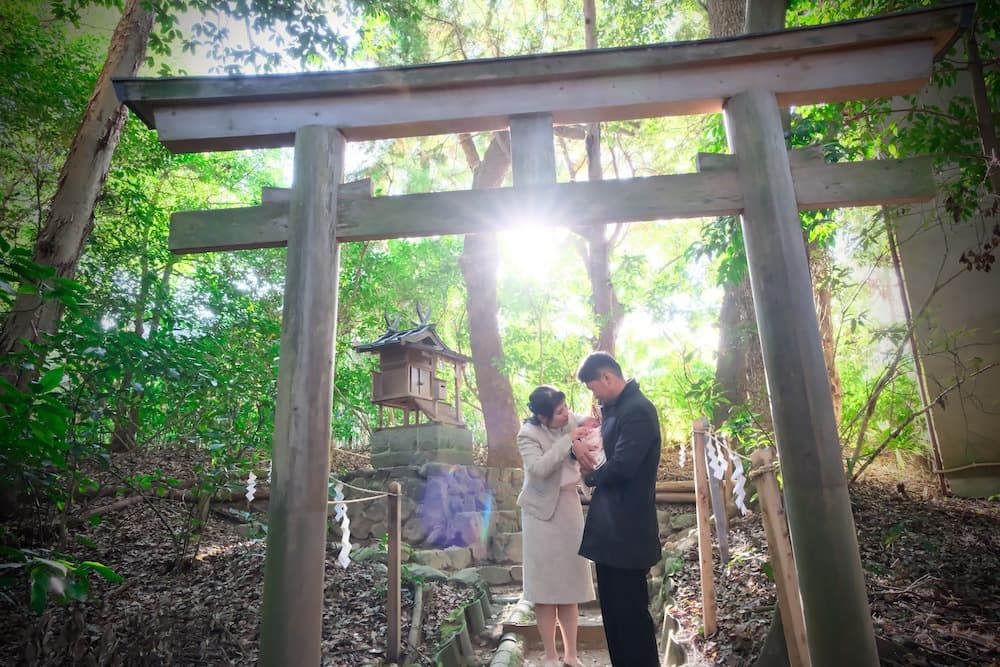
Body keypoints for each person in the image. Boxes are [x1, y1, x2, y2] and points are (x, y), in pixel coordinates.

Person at [570, 352, 661, 666]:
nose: (594, 395)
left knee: (631, 617)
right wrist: (577, 446)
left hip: (628, 530)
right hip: (610, 530)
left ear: (607, 377)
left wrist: (590, 476)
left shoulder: (637, 411)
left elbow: (624, 465)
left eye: (593, 387)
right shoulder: (615, 410)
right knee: (614, 618)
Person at [516, 385, 598, 667]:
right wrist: (568, 441)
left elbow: (581, 422)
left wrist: (588, 424)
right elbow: (538, 469)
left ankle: (571, 655)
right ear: (542, 416)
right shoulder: (528, 434)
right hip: (540, 514)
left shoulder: (567, 419)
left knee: (570, 584)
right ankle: (551, 656)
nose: (566, 414)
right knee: (545, 590)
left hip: (568, 506)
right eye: (559, 411)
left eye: (565, 408)